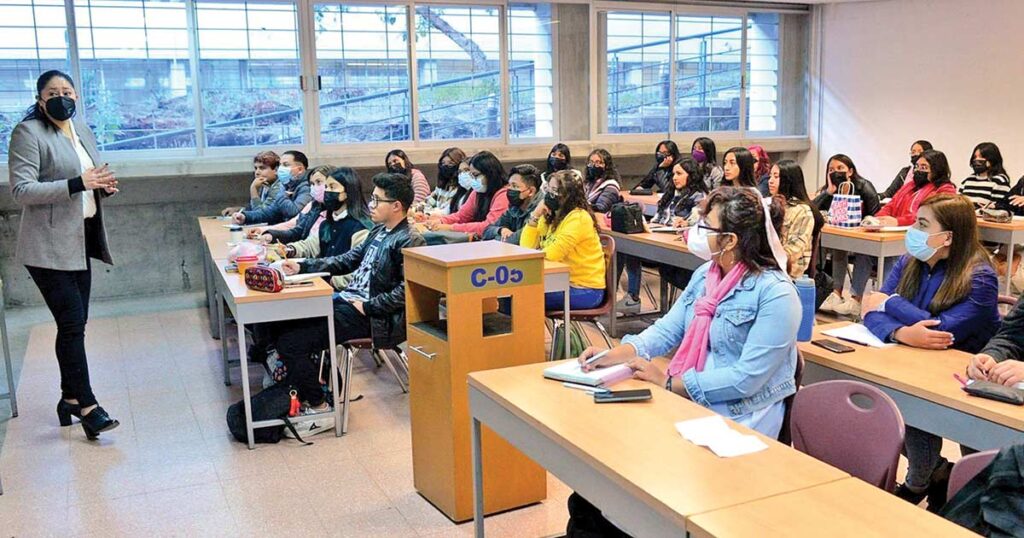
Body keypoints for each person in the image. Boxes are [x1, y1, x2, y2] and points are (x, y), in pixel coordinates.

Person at [566, 187, 798, 535]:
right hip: (693, 400)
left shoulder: (777, 293)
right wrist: (617, 353)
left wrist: (670, 383)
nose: (697, 233)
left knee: (637, 488)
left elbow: (746, 379)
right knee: (592, 489)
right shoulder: (707, 275)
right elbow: (667, 330)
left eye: (707, 227)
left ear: (731, 239)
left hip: (739, 416)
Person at [862, 194, 999, 512]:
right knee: (894, 406)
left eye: (922, 224)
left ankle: (962, 493)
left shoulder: (979, 276)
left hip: (966, 377)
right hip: (914, 361)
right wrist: (900, 332)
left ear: (948, 236)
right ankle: (927, 475)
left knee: (973, 453)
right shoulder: (910, 261)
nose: (913, 229)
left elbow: (943, 331)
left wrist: (891, 303)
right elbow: (868, 309)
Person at [8, 70, 120, 439]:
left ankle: (69, 397)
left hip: (79, 239)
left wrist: (101, 187)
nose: (62, 97)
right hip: (46, 245)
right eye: (53, 92)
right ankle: (88, 406)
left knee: (76, 323)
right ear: (40, 99)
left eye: (67, 91)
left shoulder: (81, 129)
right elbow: (22, 190)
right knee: (71, 323)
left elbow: (88, 177)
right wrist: (78, 184)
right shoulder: (28, 132)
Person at [273, 173, 425, 435]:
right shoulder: (379, 231)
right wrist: (302, 265)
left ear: (397, 206)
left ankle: (321, 409)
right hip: (349, 301)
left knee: (291, 342)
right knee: (282, 323)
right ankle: (311, 388)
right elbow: (346, 260)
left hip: (370, 314)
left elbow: (407, 291)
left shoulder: (410, 239)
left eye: (377, 200)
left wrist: (367, 307)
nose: (371, 205)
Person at [622, 158, 709, 299]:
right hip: (658, 240)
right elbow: (658, 217)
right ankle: (631, 297)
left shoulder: (700, 198)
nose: (675, 178)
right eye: (673, 174)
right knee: (626, 247)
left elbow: (696, 222)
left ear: (691, 175)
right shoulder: (670, 194)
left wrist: (685, 224)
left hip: (679, 249)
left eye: (679, 174)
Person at [520, 169, 606, 310]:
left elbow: (552, 255)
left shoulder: (578, 218)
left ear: (568, 196)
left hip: (584, 289)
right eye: (549, 189)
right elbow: (526, 248)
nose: (550, 195)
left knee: (522, 297)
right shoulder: (549, 215)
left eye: (555, 191)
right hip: (556, 281)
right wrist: (535, 216)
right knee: (511, 295)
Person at [281, 167, 373, 290]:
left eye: (332, 187)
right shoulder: (328, 223)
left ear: (347, 192)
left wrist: (329, 281)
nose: (327, 192)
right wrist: (289, 249)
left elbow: (359, 272)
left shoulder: (360, 228)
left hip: (343, 290)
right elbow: (310, 245)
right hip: (325, 285)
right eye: (326, 187)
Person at [815, 154, 882, 315]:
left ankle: (854, 299)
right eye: (831, 169)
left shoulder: (864, 186)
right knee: (825, 244)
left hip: (862, 239)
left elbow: (876, 214)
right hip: (839, 236)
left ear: (850, 171)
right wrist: (828, 192)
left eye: (840, 168)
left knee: (851, 250)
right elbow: (814, 210)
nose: (835, 172)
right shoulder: (830, 189)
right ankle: (834, 293)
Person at [425, 151, 510, 238]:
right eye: (472, 175)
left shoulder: (503, 195)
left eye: (476, 175)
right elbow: (462, 216)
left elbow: (488, 226)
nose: (473, 179)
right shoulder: (478, 191)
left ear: (490, 174)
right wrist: (440, 221)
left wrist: (451, 228)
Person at [249, 165, 333, 244]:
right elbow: (295, 225)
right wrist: (266, 232)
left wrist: (282, 194)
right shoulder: (314, 205)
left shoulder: (301, 190)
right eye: (312, 184)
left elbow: (293, 211)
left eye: (318, 182)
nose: (314, 187)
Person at [769, 160, 822, 278]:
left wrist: (767, 261)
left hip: (791, 273)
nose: (770, 181)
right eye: (770, 176)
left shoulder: (802, 211)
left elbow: (794, 250)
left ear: (788, 180)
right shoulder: (769, 204)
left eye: (776, 177)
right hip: (770, 267)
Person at [233, 150, 312, 226]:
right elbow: (269, 213)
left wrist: (282, 191)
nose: (280, 169)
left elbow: (294, 212)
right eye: (281, 165)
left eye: (285, 165)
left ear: (300, 169)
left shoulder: (307, 187)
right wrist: (245, 216)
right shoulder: (288, 186)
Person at [482, 164, 542, 244]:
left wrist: (497, 238)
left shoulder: (540, 210)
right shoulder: (515, 207)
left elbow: (515, 241)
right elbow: (486, 232)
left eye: (514, 186)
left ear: (531, 191)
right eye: (509, 185)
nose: (509, 189)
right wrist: (500, 230)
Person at [222, 151, 284, 216]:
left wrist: (253, 189)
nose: (257, 172)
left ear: (276, 170)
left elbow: (261, 215)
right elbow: (257, 208)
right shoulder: (265, 184)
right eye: (256, 168)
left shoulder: (279, 187)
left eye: (262, 168)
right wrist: (239, 210)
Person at [959, 142, 1011, 209]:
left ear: (992, 159)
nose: (976, 160)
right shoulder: (969, 179)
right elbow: (959, 201)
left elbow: (999, 206)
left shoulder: (999, 180)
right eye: (975, 157)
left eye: (981, 157)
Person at [421, 147, 466, 216]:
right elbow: (428, 201)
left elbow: (446, 212)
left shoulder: (462, 188)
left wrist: (428, 213)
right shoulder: (443, 185)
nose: (445, 167)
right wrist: (417, 209)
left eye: (451, 164)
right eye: (443, 164)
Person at [583, 149, 621, 213]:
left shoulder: (611, 186)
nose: (594, 165)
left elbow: (601, 208)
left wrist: (580, 206)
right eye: (591, 162)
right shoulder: (589, 183)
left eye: (598, 162)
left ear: (607, 166)